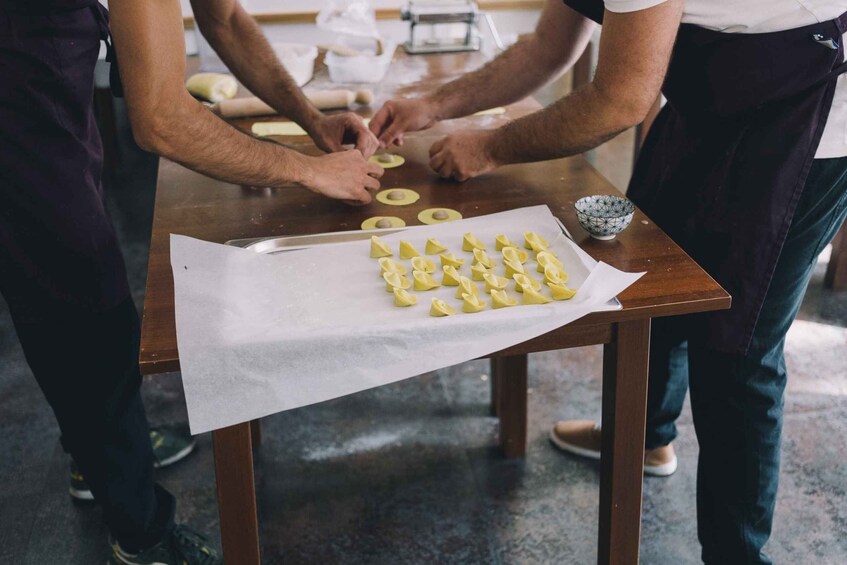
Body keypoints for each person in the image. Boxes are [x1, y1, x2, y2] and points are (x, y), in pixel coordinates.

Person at [369, 1, 847, 562]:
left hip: (807, 115)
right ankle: (645, 436)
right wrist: (433, 104)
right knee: (649, 272)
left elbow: (620, 100)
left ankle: (737, 554)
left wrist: (490, 145)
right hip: (713, 98)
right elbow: (549, 46)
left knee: (736, 350)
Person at [0, 0, 383, 562]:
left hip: (42, 81)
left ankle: (96, 448)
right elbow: (161, 121)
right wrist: (305, 170)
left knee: (79, 280)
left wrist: (311, 120)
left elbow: (223, 17)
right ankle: (141, 534)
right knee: (84, 306)